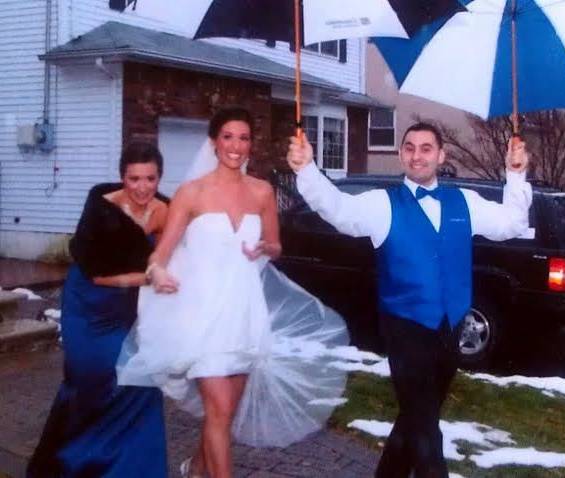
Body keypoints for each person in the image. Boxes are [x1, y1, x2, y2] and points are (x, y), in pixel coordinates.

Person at [287, 122, 532, 478]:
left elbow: (511, 223)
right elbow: (338, 210)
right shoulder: (382, 204)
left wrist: (515, 174)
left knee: (415, 421)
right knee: (427, 437)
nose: (417, 155)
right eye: (410, 147)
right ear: (402, 154)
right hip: (404, 329)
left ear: (441, 155)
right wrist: (307, 169)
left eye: (426, 148)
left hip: (451, 329)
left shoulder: (463, 201)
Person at [115, 107, 349, 478]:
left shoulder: (262, 191)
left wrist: (265, 249)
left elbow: (275, 245)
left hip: (243, 312)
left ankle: (196, 469)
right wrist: (157, 271)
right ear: (213, 142)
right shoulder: (191, 193)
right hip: (201, 313)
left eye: (243, 138)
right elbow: (162, 252)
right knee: (220, 412)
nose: (236, 146)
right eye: (228, 137)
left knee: (222, 413)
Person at [26, 143, 169, 478]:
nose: (142, 187)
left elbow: (167, 255)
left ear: (159, 177)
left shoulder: (164, 210)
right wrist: (149, 278)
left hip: (125, 310)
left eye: (150, 178)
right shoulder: (101, 208)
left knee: (142, 383)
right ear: (122, 178)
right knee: (91, 381)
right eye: (134, 179)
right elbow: (98, 275)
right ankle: (72, 461)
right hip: (87, 304)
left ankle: (129, 469)